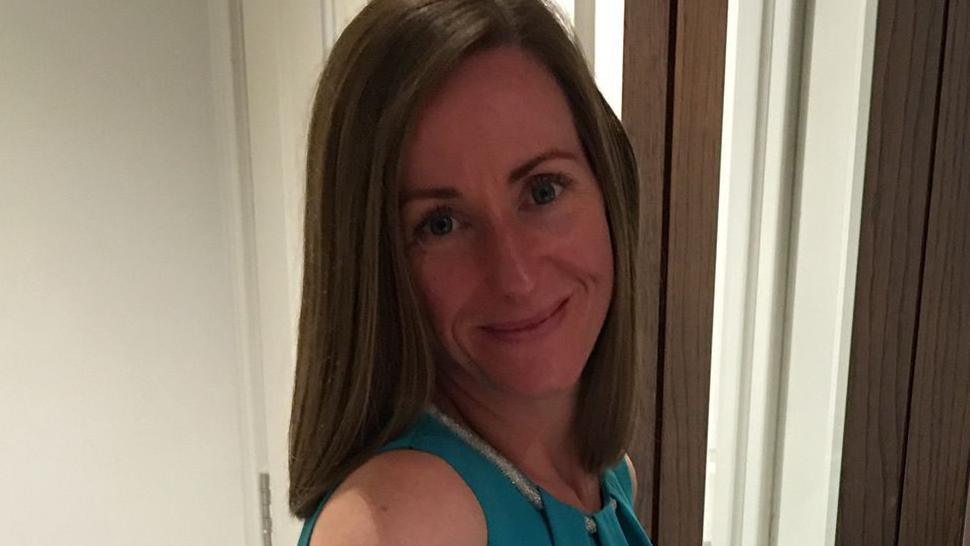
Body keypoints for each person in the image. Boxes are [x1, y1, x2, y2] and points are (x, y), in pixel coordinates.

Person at [288, 0, 651, 544]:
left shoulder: (607, 478)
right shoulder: (405, 525)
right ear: (380, 269)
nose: (516, 276)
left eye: (542, 190)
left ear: (607, 187)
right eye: (440, 224)